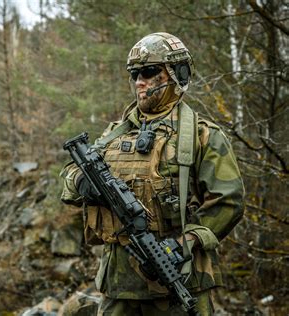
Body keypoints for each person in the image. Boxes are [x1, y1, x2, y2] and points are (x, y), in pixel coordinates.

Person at [60, 32, 245, 315]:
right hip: (119, 284)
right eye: (135, 74)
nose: (139, 82)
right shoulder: (115, 133)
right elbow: (70, 174)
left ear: (176, 73)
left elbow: (229, 201)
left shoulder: (202, 135)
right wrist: (82, 182)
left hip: (179, 276)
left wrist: (185, 243)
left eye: (149, 71)